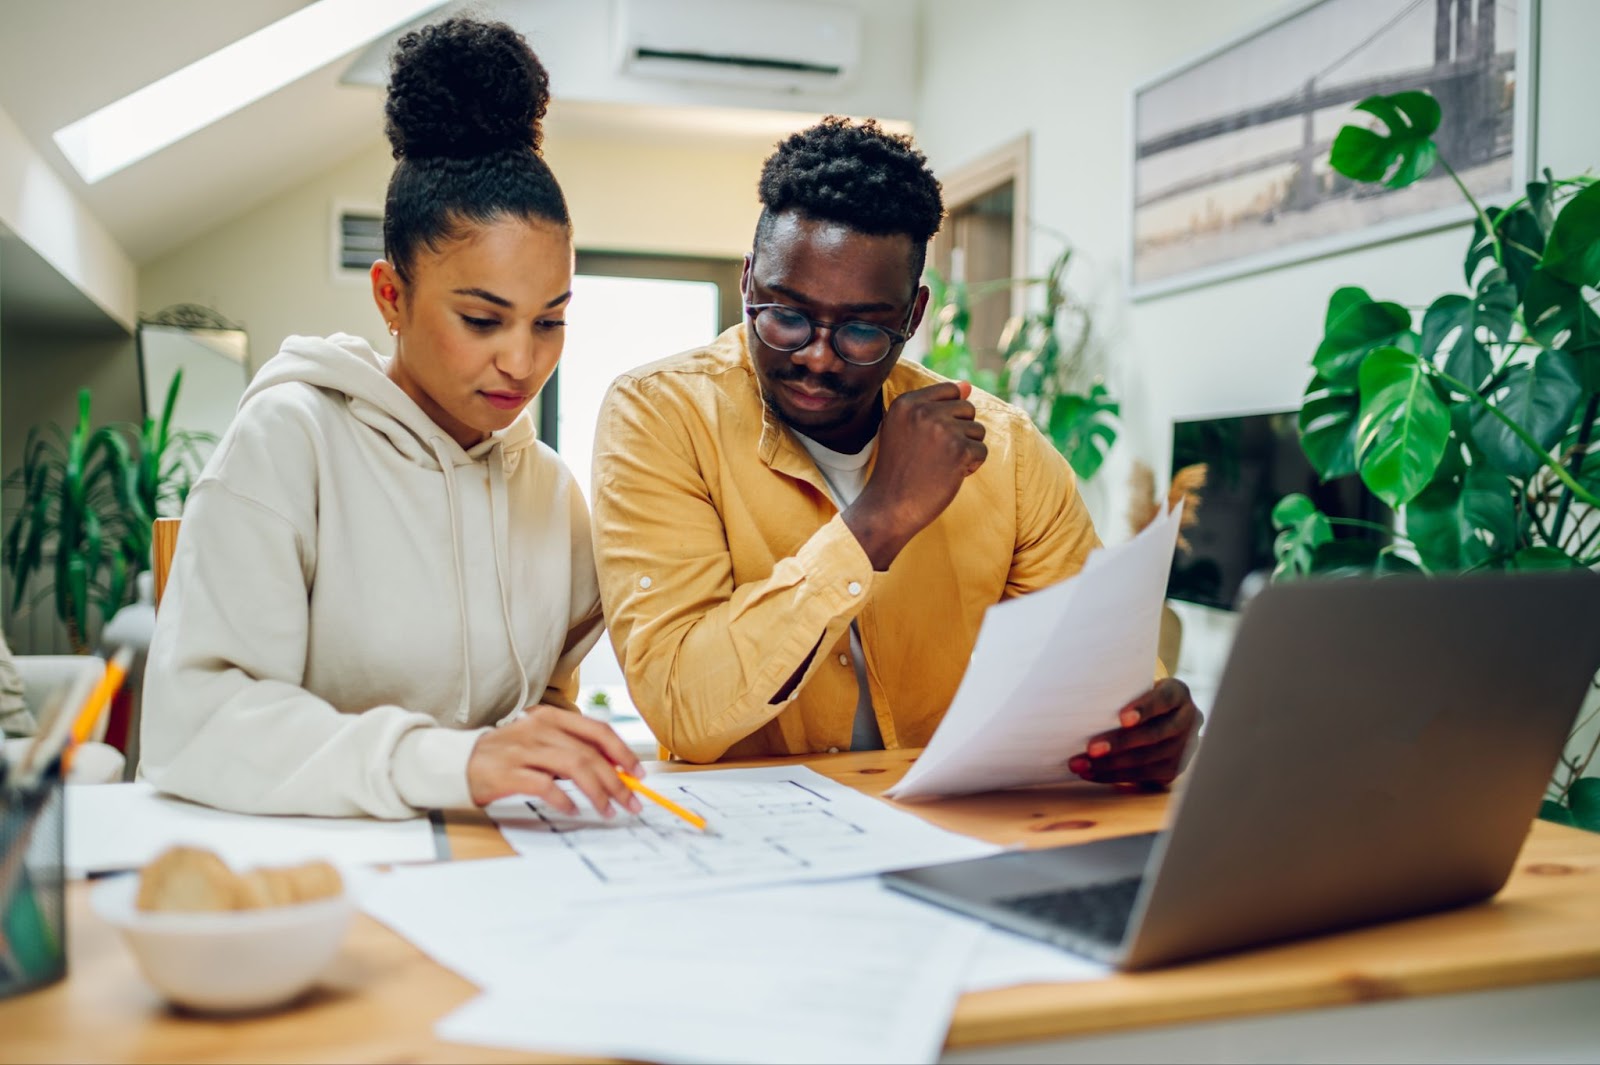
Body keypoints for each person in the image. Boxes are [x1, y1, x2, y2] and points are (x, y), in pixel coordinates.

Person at [591, 117, 1200, 783]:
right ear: (747, 283)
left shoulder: (1007, 452)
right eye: (786, 316)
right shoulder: (660, 415)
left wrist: (1148, 723)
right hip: (749, 848)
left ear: (912, 316)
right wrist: (876, 519)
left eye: (859, 329)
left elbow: (1098, 668)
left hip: (951, 831)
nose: (817, 356)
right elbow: (684, 709)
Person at [142, 18, 643, 819]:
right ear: (390, 297)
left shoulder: (548, 487)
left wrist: (555, 738)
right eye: (484, 320)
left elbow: (550, 689)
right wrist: (451, 761)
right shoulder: (289, 440)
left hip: (485, 867)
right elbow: (194, 725)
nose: (523, 361)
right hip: (301, 875)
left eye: (549, 320)